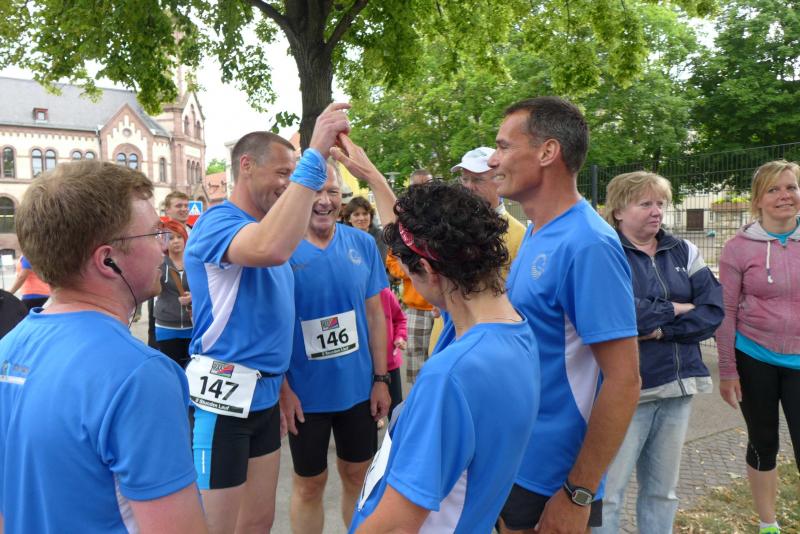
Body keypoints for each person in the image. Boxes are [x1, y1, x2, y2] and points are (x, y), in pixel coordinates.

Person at [0, 161, 207, 533]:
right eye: (154, 233)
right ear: (108, 261)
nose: (163, 246)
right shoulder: (140, 375)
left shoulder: (8, 347)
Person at [183, 103, 351, 534]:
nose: (289, 182)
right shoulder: (218, 221)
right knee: (214, 529)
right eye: (282, 172)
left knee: (259, 523)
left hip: (264, 396)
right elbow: (268, 248)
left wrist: (282, 387)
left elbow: (274, 320)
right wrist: (314, 155)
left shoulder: (275, 228)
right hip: (222, 400)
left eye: (293, 173)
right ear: (246, 166)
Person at [349, 182, 540, 532]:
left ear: (429, 269)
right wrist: (373, 177)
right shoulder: (511, 330)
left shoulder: (450, 375)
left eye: (410, 273)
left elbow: (395, 527)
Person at [487, 96, 641, 534]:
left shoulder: (588, 243)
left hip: (553, 476)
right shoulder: (538, 231)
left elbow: (625, 381)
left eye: (504, 146)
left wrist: (578, 492)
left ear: (548, 152)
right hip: (518, 457)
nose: (494, 160)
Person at [595, 171, 724, 533]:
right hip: (626, 391)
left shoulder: (685, 251)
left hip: (677, 387)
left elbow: (713, 311)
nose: (657, 211)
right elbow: (620, 312)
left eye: (660, 203)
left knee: (662, 492)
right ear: (618, 210)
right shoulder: (606, 253)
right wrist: (677, 307)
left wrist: (662, 330)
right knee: (609, 493)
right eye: (645, 203)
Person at [280, 164, 390, 533]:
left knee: (358, 475)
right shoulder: (280, 248)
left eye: (332, 192)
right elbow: (270, 326)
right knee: (310, 483)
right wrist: (283, 388)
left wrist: (381, 379)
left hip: (357, 389)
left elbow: (376, 317)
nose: (324, 201)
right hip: (304, 394)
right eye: (315, 190)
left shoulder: (362, 244)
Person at [716, 160, 800, 534]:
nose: (784, 195)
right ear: (758, 199)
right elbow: (726, 311)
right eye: (773, 189)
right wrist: (727, 369)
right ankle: (768, 524)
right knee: (763, 442)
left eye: (791, 187)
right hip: (754, 356)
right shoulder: (738, 248)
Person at [452, 146, 526, 271]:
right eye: (465, 179)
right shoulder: (452, 225)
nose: (468, 187)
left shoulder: (520, 235)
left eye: (477, 180)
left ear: (500, 181)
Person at [154, 217, 193, 368]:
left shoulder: (195, 262)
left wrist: (194, 297)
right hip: (166, 328)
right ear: (164, 241)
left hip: (193, 326)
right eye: (170, 238)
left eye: (179, 237)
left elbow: (208, 290)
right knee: (172, 370)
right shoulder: (159, 263)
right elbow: (150, 289)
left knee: (192, 372)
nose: (176, 241)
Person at [343, 196, 388, 265]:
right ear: (349, 219)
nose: (361, 218)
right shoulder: (343, 238)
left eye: (365, 213)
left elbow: (379, 264)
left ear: (371, 216)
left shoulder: (380, 237)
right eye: (356, 214)